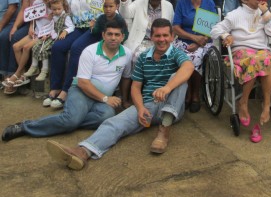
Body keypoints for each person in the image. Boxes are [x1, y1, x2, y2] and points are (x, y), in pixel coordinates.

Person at [44, 18, 194, 170]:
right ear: (152, 37)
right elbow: (135, 87)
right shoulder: (143, 58)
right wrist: (140, 108)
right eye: (158, 36)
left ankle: (164, 131)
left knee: (179, 78)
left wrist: (167, 88)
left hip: (172, 107)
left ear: (172, 36)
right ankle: (83, 152)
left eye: (165, 36)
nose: (162, 39)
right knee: (114, 122)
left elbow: (188, 67)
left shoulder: (176, 53)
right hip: (149, 107)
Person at [2, 20, 132, 142]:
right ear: (103, 35)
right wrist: (105, 99)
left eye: (117, 34)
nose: (113, 38)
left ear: (122, 37)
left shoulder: (127, 54)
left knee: (105, 117)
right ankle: (24, 127)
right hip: (83, 91)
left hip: (103, 98)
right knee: (71, 120)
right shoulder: (90, 51)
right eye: (109, 34)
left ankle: (71, 120)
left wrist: (124, 100)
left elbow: (126, 78)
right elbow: (82, 83)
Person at [211, 0, 271, 142]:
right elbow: (215, 29)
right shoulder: (235, 14)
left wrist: (266, 12)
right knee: (257, 60)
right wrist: (226, 36)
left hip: (261, 51)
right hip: (241, 51)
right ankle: (243, 102)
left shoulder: (263, 13)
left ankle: (266, 105)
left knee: (265, 58)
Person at [48, 0, 107, 109]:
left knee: (76, 48)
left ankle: (66, 90)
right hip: (76, 28)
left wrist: (98, 22)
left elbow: (109, 9)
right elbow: (64, 10)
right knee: (58, 47)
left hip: (94, 29)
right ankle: (55, 87)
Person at [6, 0, 65, 79]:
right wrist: (16, 26)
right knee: (14, 38)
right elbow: (25, 9)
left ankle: (18, 74)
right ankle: (22, 73)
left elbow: (64, 6)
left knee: (25, 45)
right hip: (34, 25)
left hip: (48, 28)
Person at [119, 0, 174, 107]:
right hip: (141, 40)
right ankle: (132, 95)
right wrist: (124, 1)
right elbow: (125, 13)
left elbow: (169, 25)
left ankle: (155, 93)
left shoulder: (168, 6)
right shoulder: (139, 3)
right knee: (137, 56)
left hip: (160, 41)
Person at [173, 0, 216, 112]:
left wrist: (199, 42)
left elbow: (214, 27)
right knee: (181, 57)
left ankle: (195, 94)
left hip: (204, 41)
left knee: (196, 56)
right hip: (184, 40)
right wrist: (193, 38)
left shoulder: (209, 3)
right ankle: (187, 93)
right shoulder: (181, 3)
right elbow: (176, 27)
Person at [2, 0, 56, 94]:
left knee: (26, 47)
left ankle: (17, 74)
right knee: (16, 46)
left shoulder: (54, 5)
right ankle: (23, 74)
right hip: (36, 32)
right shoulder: (37, 3)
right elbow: (33, 18)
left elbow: (57, 21)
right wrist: (31, 26)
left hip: (45, 34)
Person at [24, 0, 75, 82]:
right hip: (51, 35)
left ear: (63, 7)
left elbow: (71, 27)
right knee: (36, 46)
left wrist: (65, 31)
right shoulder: (53, 17)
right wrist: (46, 34)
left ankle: (44, 70)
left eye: (59, 9)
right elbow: (51, 27)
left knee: (44, 49)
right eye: (54, 9)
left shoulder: (65, 16)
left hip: (57, 37)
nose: (57, 11)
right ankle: (34, 66)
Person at [0, 0, 22, 81]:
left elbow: (12, 8)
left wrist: (0, 26)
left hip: (10, 21)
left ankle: (6, 73)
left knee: (3, 36)